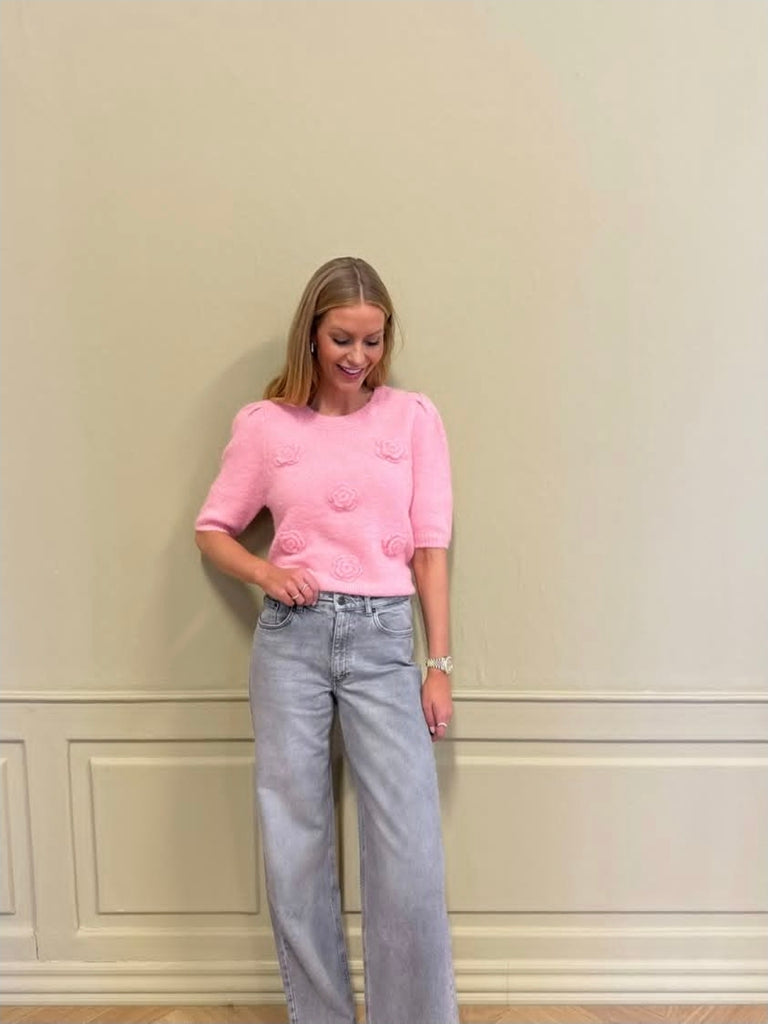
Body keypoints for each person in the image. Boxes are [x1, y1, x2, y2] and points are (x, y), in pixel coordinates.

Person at [194, 256, 459, 1024]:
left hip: (383, 638)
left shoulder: (413, 420)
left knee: (408, 848)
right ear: (311, 333)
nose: (358, 357)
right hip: (292, 642)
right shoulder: (265, 426)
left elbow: (430, 550)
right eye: (343, 338)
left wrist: (438, 664)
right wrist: (265, 573)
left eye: (373, 341)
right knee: (296, 840)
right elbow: (212, 529)